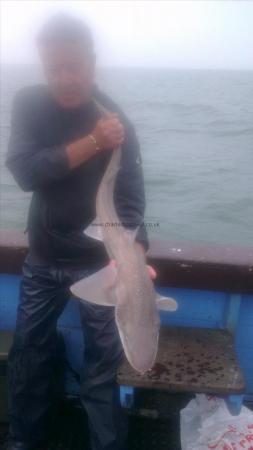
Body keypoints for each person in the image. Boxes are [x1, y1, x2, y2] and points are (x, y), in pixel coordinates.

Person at [5, 13, 156, 450]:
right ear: (42, 66)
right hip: (44, 259)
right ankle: (22, 440)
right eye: (53, 68)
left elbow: (130, 199)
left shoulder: (118, 120)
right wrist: (93, 141)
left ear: (92, 62)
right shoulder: (29, 103)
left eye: (74, 66)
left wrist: (135, 256)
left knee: (101, 368)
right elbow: (26, 172)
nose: (64, 78)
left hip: (100, 265)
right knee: (28, 356)